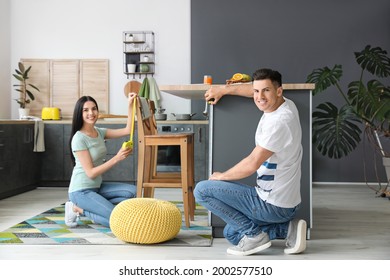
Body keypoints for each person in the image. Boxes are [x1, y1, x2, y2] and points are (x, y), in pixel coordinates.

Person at [194, 68, 306, 256]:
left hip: (272, 203)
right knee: (232, 233)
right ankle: (286, 229)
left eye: (266, 91)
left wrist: (221, 176)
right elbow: (257, 92)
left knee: (202, 190)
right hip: (284, 203)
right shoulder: (287, 105)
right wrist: (223, 90)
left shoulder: (279, 122)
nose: (259, 96)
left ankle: (255, 235)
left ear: (279, 91)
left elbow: (252, 163)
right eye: (256, 91)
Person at [65, 94, 138, 228]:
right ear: (79, 113)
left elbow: (128, 130)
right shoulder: (79, 139)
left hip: (97, 188)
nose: (91, 113)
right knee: (119, 221)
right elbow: (91, 173)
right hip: (81, 191)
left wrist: (130, 105)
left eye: (94, 109)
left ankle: (98, 209)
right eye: (85, 110)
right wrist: (117, 158)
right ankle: (78, 209)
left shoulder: (99, 132)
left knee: (134, 192)